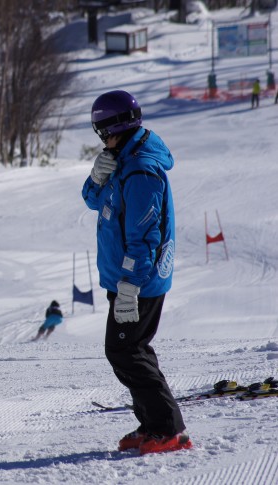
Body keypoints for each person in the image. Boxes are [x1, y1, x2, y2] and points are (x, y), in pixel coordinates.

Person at [82, 90, 191, 455]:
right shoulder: (122, 158)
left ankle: (169, 430)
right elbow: (93, 201)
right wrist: (96, 179)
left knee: (125, 351)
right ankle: (153, 424)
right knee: (131, 350)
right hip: (126, 279)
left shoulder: (141, 169)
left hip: (139, 281)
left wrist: (130, 284)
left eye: (103, 131)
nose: (102, 139)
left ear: (117, 127)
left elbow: (145, 237)